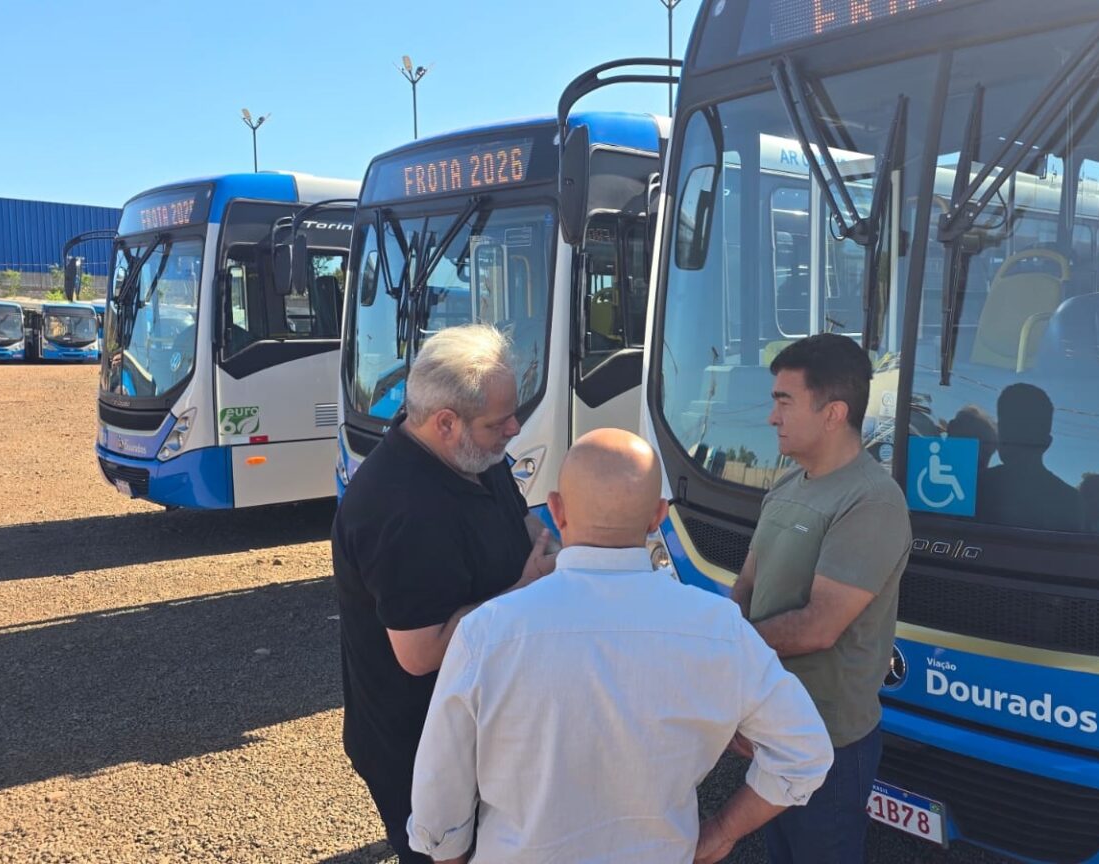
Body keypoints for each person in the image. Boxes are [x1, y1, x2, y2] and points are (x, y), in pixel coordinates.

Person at [407, 428, 834, 864]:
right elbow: (804, 752)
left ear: (557, 509)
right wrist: (723, 831)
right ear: (658, 516)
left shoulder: (486, 632)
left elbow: (438, 801)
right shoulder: (719, 629)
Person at [332, 323, 555, 863]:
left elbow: (522, 524)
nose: (514, 428)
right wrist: (525, 593)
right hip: (421, 747)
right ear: (445, 422)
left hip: (481, 729)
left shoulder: (472, 456)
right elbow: (421, 651)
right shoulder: (400, 509)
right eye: (499, 421)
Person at [731, 333, 912, 864]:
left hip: (827, 740)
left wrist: (725, 648)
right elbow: (746, 587)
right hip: (772, 724)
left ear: (833, 413)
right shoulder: (787, 486)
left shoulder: (872, 501)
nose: (771, 417)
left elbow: (819, 627)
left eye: (784, 402)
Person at [977, 383, 1081, 531]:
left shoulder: (973, 487)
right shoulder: (1071, 501)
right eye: (1008, 429)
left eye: (1009, 431)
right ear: (1047, 443)